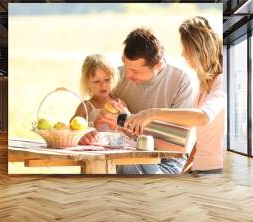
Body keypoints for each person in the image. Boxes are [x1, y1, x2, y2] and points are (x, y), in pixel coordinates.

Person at [79, 28, 197, 174]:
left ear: (158, 66)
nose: (127, 75)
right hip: (125, 153)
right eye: (125, 65)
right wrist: (85, 132)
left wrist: (126, 122)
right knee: (116, 163)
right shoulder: (116, 77)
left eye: (135, 71)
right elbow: (89, 111)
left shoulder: (180, 82)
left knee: (128, 167)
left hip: (166, 161)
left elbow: (178, 147)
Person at [124, 17, 226, 174]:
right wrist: (188, 166)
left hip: (214, 169)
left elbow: (203, 117)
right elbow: (202, 138)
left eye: (185, 49)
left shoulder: (221, 81)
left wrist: (152, 113)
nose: (183, 54)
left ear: (197, 50)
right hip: (199, 168)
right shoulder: (204, 85)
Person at [73, 54, 127, 130]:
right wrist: (93, 126)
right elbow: (73, 131)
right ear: (87, 83)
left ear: (113, 78)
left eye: (107, 79)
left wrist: (117, 127)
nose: (103, 85)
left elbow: (129, 132)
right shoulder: (85, 107)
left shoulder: (120, 105)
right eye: (96, 81)